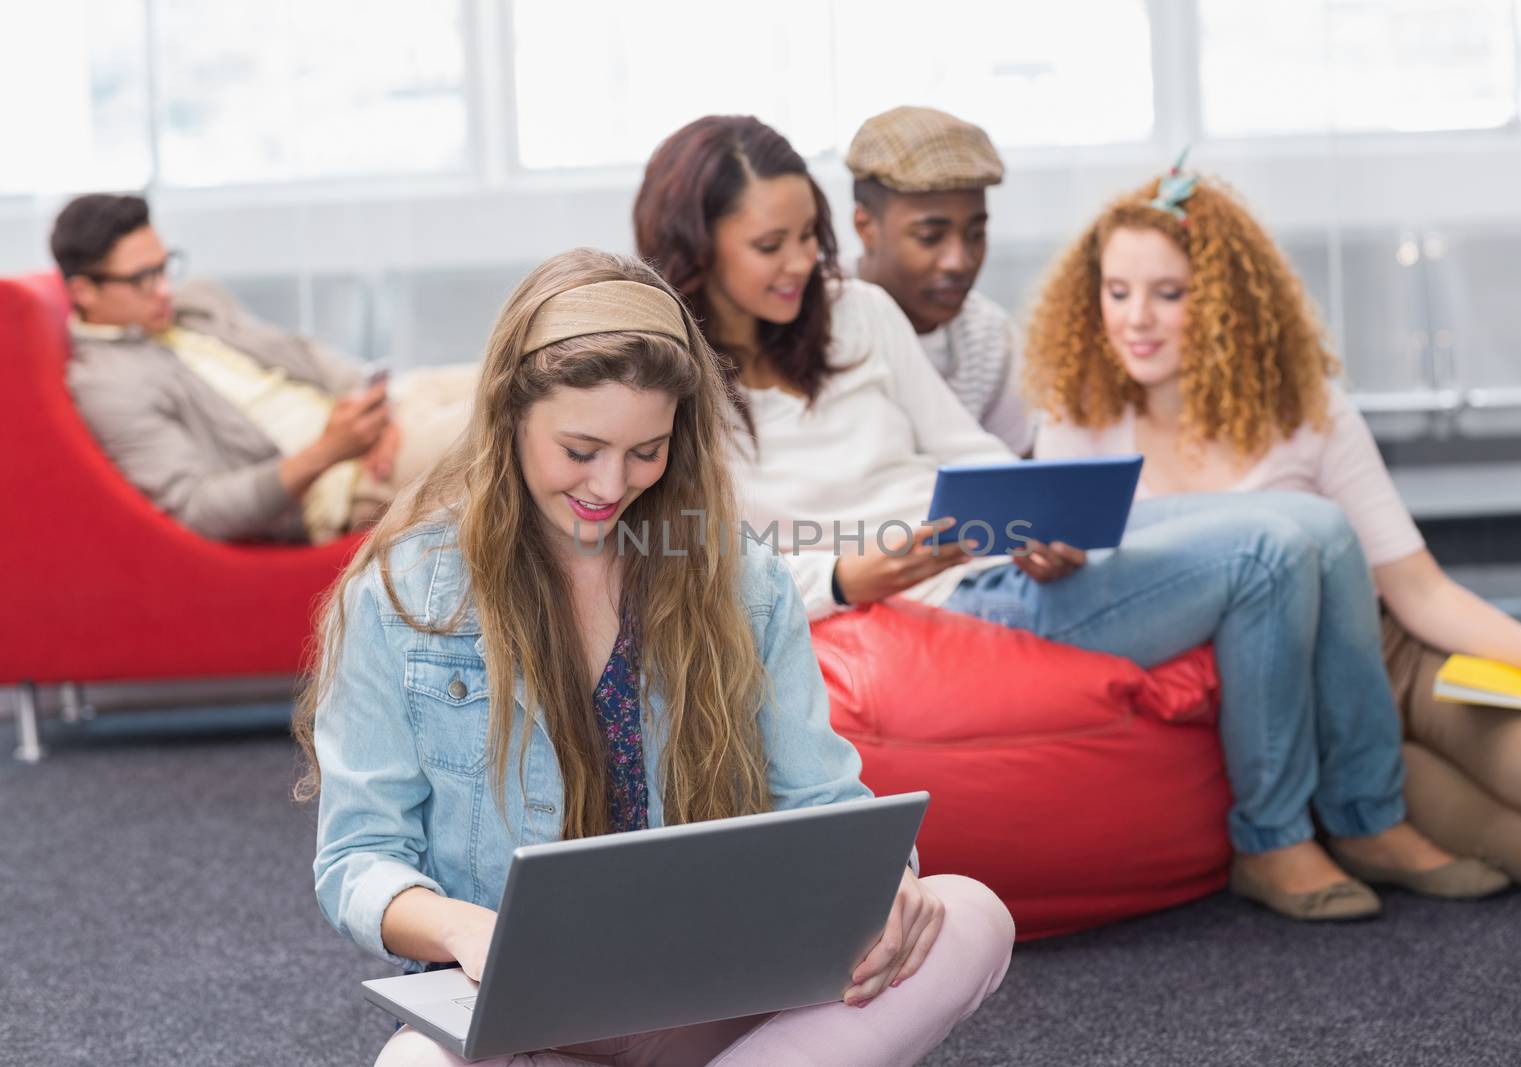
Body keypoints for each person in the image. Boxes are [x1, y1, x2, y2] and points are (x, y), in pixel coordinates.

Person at [634, 114, 1508, 922]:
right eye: (768, 245)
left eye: (807, 239)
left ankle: (1366, 814)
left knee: (1314, 521)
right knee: (1268, 554)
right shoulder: (674, 387)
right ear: (697, 248)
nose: (798, 265)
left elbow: (964, 448)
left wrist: (1034, 517)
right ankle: (1275, 841)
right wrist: (843, 577)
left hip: (984, 556)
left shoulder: (856, 314)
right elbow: (700, 564)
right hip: (930, 615)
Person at [296, 247, 1014, 1067]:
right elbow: (357, 860)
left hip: (718, 1000)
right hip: (530, 1018)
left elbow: (824, 802)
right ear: (509, 420)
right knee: (412, 1066)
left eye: (647, 450)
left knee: (970, 912)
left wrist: (886, 884)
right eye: (580, 448)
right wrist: (468, 929)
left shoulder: (742, 579)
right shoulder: (404, 595)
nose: (611, 482)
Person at [1025, 161, 1521, 886]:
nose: (1136, 318)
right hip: (1283, 708)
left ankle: (1385, 785)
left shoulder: (1306, 410)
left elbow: (1419, 590)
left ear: (1226, 305)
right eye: (1117, 292)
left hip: (1389, 656)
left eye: (1168, 294)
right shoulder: (1078, 422)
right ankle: (1372, 799)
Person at [51, 193, 477, 543]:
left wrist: (375, 409)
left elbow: (302, 353)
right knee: (517, 419)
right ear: (83, 290)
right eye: (142, 278)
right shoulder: (107, 384)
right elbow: (199, 508)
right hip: (346, 480)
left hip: (388, 409)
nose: (164, 289)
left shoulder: (195, 301)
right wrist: (331, 449)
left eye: (164, 267)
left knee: (523, 368)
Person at [846, 106, 1033, 454]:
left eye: (976, 233)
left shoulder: (991, 338)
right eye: (930, 237)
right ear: (865, 226)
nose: (959, 262)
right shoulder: (819, 318)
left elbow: (1014, 479)